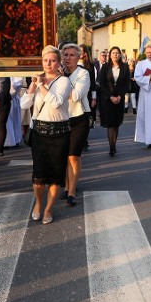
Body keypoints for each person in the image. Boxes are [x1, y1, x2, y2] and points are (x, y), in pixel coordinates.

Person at [21, 45, 71, 224]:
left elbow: (56, 102)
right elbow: (24, 104)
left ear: (58, 63)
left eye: (52, 60)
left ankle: (49, 208)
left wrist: (42, 85)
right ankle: (39, 203)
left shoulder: (64, 82)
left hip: (59, 133)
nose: (48, 64)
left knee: (55, 176)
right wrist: (34, 84)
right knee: (38, 177)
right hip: (40, 133)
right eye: (45, 60)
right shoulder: (37, 81)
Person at [60, 44, 91, 205]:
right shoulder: (58, 73)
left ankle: (72, 191)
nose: (68, 58)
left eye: (72, 55)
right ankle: (66, 187)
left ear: (78, 57)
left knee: (73, 156)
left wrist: (63, 79)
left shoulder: (83, 73)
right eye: (65, 55)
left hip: (79, 118)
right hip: (61, 118)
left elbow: (76, 96)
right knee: (64, 156)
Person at [98, 46, 130, 156]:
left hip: (119, 99)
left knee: (116, 123)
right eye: (113, 53)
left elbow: (127, 85)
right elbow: (102, 84)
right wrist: (111, 97)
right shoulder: (105, 67)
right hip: (108, 99)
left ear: (120, 55)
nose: (115, 55)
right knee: (110, 124)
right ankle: (111, 147)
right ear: (110, 55)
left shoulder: (125, 67)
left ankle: (114, 144)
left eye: (117, 53)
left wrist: (120, 96)